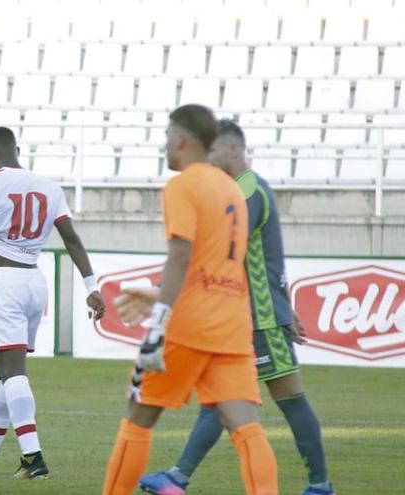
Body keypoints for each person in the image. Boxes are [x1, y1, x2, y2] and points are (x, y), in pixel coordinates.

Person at [139, 120, 334, 495]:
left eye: (212, 151)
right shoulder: (244, 188)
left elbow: (219, 249)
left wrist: (162, 288)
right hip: (250, 315)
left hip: (260, 318)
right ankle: (178, 477)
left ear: (231, 149)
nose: (207, 159)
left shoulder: (247, 189)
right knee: (221, 400)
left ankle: (320, 485)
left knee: (287, 399)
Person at [101, 104, 279, 495]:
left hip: (187, 328)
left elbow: (182, 254)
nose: (165, 144)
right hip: (232, 327)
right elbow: (211, 262)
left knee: (138, 417)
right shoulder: (231, 187)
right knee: (246, 428)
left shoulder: (182, 186)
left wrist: (157, 326)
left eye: (167, 136)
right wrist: (156, 291)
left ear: (181, 140)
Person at [0, 126, 106, 479]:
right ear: (17, 150)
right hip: (35, 282)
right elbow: (70, 237)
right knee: (4, 375)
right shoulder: (49, 187)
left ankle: (32, 457)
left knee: (14, 373)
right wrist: (91, 285)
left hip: (4, 282)